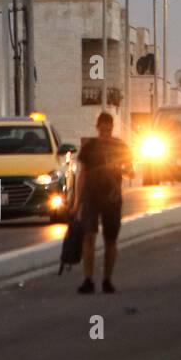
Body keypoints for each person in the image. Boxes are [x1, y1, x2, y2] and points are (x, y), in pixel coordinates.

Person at [75, 112, 134, 294]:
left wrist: (120, 168)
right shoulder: (89, 147)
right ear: (97, 127)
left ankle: (107, 280)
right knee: (89, 237)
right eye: (103, 128)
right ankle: (88, 279)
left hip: (112, 198)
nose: (105, 131)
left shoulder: (120, 146)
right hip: (91, 197)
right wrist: (77, 201)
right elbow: (82, 173)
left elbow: (131, 172)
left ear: (112, 127)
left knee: (110, 240)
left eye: (108, 128)